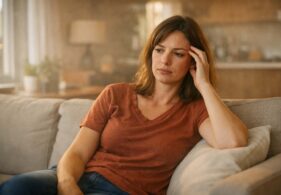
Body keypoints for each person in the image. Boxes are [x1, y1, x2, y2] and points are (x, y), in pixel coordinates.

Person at [0, 15, 248, 195]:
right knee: (13, 188)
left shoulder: (194, 110)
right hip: (74, 178)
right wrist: (67, 185)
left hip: (122, 191)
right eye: (159, 50)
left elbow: (233, 141)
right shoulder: (114, 94)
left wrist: (204, 85)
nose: (165, 60)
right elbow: (76, 153)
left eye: (178, 54)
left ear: (194, 62)